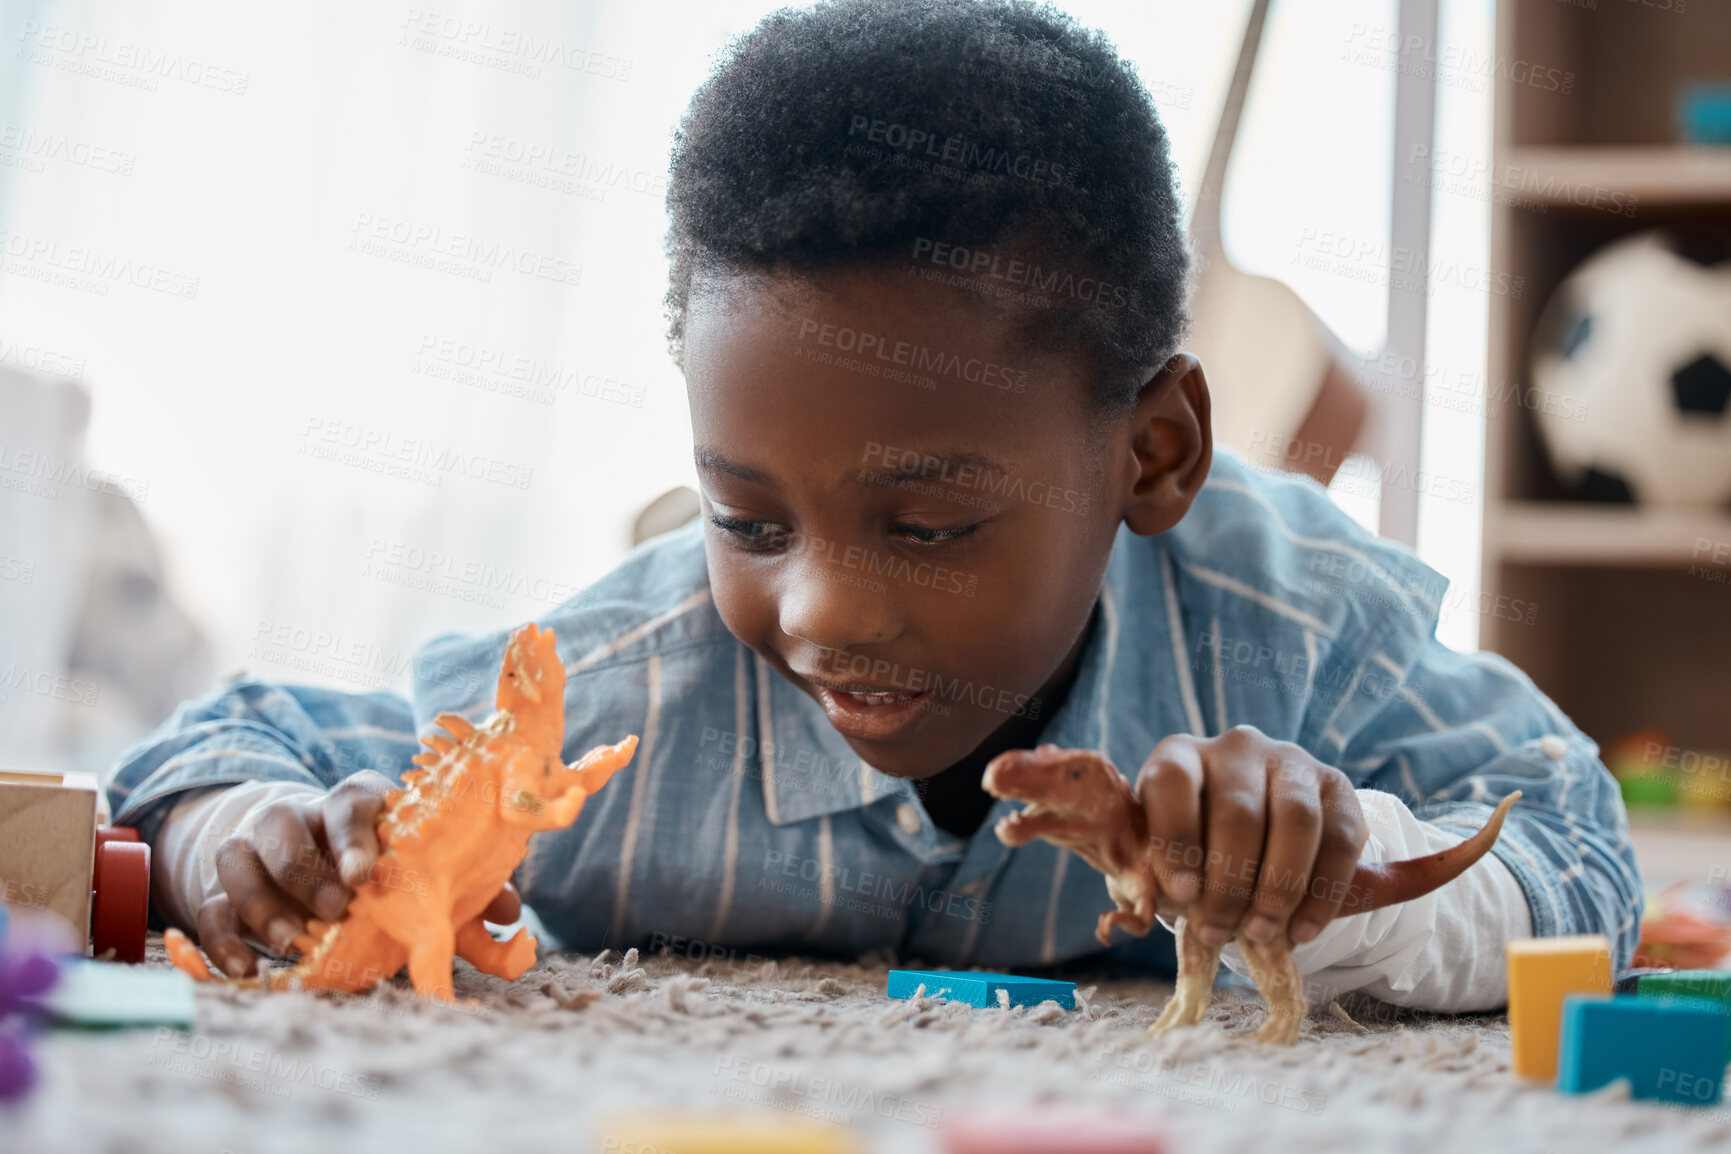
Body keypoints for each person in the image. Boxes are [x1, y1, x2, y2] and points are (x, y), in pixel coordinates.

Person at [109, 0, 1639, 1010]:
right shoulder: (622, 700)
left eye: (927, 525)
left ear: (1154, 454)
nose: (822, 609)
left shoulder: (1292, 624)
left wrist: (1343, 863)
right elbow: (232, 741)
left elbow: (1579, 846)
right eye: (751, 521)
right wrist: (241, 831)